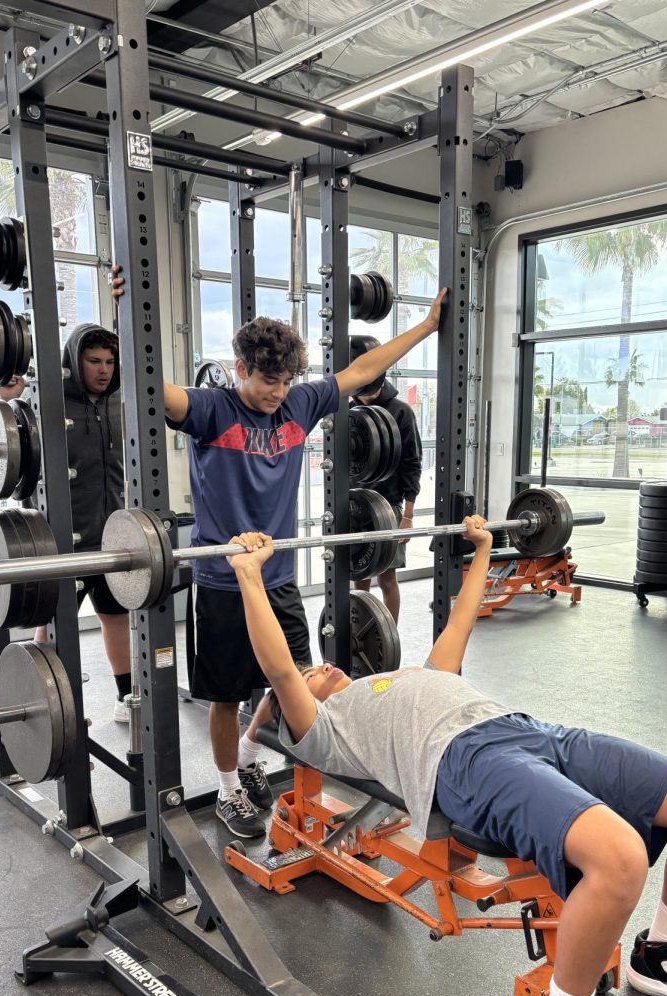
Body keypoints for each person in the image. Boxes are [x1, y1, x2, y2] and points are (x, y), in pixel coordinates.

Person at [225, 519, 667, 996]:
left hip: (532, 731)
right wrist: (248, 575)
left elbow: (460, 621)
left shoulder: (411, 677)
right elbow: (280, 668)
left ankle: (665, 953)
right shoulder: (329, 725)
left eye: (321, 665)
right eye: (314, 673)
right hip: (465, 764)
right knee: (619, 861)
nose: (321, 667)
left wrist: (484, 549)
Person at [112, 265, 445, 839]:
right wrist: (124, 317)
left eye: (287, 381)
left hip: (280, 577)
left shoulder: (299, 405)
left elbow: (365, 368)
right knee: (223, 695)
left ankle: (246, 755)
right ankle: (226, 790)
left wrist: (427, 326)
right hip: (222, 580)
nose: (278, 393)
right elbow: (147, 386)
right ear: (241, 370)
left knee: (288, 677)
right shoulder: (212, 410)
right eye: (268, 382)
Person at [0, 324, 132, 722]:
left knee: (116, 619)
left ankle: (125, 698)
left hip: (111, 536)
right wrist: (5, 399)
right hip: (62, 538)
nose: (103, 370)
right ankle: (46, 704)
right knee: (53, 625)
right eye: (94, 361)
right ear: (75, 362)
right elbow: (8, 441)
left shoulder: (119, 402)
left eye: (109, 362)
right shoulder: (48, 402)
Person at [351, 375, 422, 624]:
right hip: (355, 506)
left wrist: (408, 516)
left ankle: (388, 639)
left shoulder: (400, 411)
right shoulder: (348, 411)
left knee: (386, 578)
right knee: (358, 574)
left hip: (387, 506)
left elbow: (412, 464)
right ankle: (359, 634)